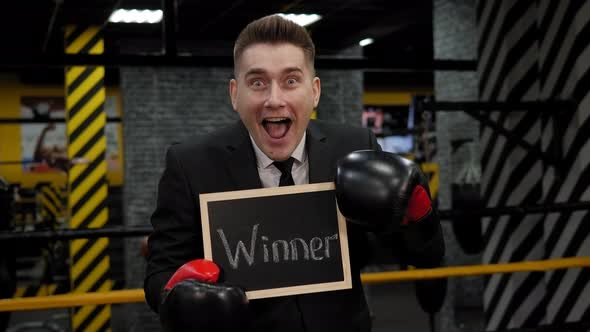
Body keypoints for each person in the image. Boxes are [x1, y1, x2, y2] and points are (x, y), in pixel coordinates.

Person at [145, 14, 445, 332]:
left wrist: (418, 214)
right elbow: (161, 271)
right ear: (235, 94)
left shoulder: (355, 147)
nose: (275, 100)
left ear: (314, 91)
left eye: (290, 81)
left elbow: (424, 255)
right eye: (257, 82)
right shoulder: (191, 164)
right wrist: (176, 296)